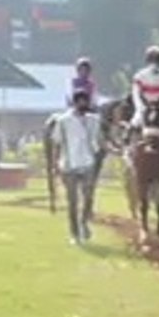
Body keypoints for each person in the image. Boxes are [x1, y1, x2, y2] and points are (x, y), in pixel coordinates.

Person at [51, 90, 102, 244]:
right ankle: (74, 233)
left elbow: (98, 140)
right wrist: (55, 164)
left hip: (87, 163)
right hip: (69, 164)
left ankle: (84, 223)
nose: (83, 104)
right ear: (75, 103)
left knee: (88, 198)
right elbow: (57, 142)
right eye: (80, 102)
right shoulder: (64, 120)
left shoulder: (93, 120)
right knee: (72, 201)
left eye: (85, 102)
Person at [130, 46, 159, 131]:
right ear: (148, 59)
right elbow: (135, 93)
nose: (155, 62)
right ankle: (126, 139)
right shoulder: (140, 75)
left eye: (157, 59)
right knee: (135, 122)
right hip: (144, 106)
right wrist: (141, 106)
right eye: (152, 58)